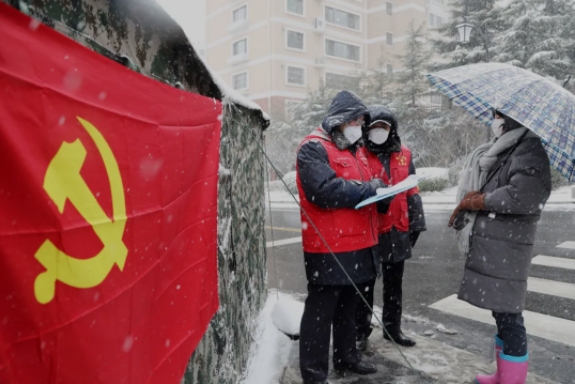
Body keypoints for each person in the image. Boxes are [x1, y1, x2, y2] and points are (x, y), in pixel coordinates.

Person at [296, 91, 392, 384]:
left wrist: (381, 189)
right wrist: (369, 189)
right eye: (353, 120)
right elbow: (323, 191)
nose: (357, 126)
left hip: (360, 243)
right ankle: (314, 374)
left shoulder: (355, 149)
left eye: (360, 121)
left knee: (349, 305)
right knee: (320, 312)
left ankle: (346, 356)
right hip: (328, 246)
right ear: (337, 120)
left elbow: (365, 184)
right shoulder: (313, 148)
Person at [448, 110, 551, 384]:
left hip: (509, 246)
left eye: (497, 115)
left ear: (511, 118)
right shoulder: (513, 146)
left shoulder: (530, 149)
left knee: (509, 315)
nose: (493, 121)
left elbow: (524, 196)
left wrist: (481, 201)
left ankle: (512, 380)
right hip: (499, 245)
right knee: (501, 311)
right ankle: (504, 374)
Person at [355, 105, 426, 351]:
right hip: (370, 229)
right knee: (365, 285)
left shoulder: (404, 153)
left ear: (392, 129)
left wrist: (417, 220)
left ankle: (392, 328)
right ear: (367, 129)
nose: (379, 131)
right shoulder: (359, 153)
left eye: (384, 127)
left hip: (397, 228)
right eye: (375, 127)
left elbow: (412, 188)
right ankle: (360, 332)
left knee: (394, 285)